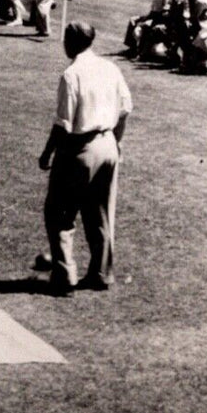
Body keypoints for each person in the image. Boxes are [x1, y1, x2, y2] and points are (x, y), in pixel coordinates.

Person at [38, 21, 133, 296]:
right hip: (107, 146)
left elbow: (63, 124)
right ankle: (101, 274)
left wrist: (47, 153)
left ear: (71, 41)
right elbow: (126, 108)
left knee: (59, 213)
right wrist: (117, 141)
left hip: (78, 150)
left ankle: (65, 275)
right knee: (100, 212)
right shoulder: (110, 67)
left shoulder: (72, 74)